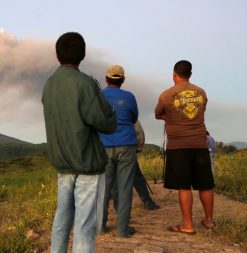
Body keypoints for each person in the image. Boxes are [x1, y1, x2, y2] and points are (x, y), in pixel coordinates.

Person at [42, 32, 117, 253]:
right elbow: (105, 122)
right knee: (84, 225)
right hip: (87, 165)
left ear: (57, 55)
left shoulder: (49, 84)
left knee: (61, 220)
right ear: (83, 55)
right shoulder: (85, 84)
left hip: (62, 165)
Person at [155, 60, 215, 235]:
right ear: (190, 74)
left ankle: (187, 225)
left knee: (184, 186)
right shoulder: (201, 92)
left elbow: (158, 113)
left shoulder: (167, 95)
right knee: (205, 185)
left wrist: (170, 117)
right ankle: (209, 221)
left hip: (178, 146)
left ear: (174, 75)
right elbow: (201, 110)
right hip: (200, 144)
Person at [99, 65, 139, 237]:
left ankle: (100, 226)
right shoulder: (129, 97)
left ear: (106, 79)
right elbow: (134, 118)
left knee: (103, 188)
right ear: (123, 80)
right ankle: (122, 229)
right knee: (124, 187)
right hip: (126, 146)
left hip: (104, 146)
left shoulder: (99, 95)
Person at [133, 120, 160, 210]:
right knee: (136, 177)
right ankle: (147, 201)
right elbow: (139, 131)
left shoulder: (103, 109)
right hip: (127, 149)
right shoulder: (128, 109)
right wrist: (137, 148)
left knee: (109, 177)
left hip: (107, 148)